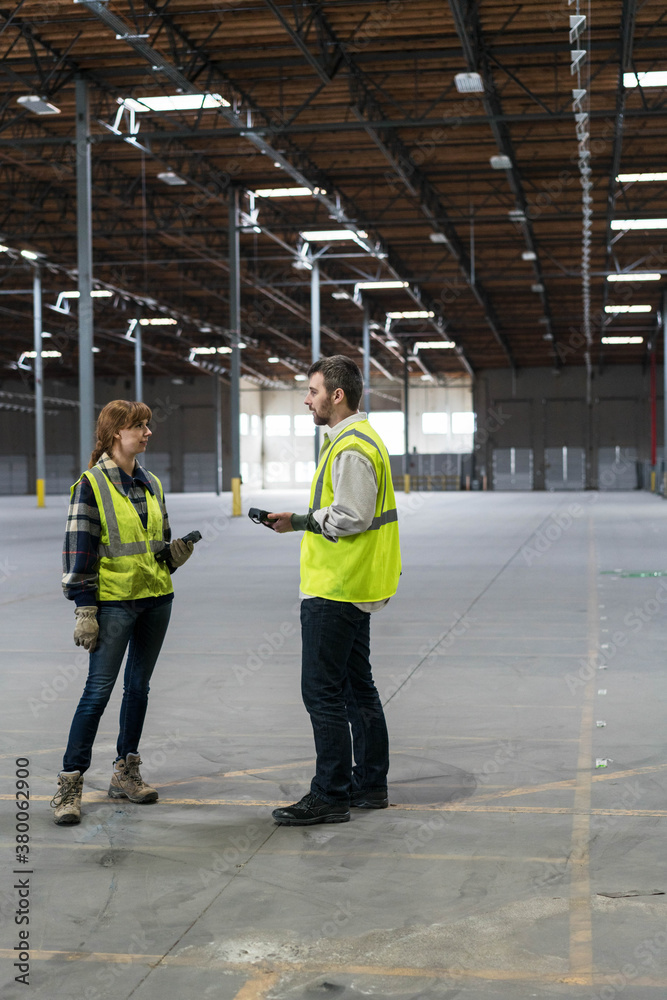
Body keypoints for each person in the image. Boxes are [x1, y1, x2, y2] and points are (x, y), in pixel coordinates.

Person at [267, 355, 401, 825]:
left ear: (337, 395)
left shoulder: (349, 446)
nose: (308, 400)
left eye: (313, 391)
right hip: (353, 583)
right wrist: (296, 522)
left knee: (321, 692)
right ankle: (369, 785)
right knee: (355, 688)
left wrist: (302, 521)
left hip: (335, 588)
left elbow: (351, 515)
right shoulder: (360, 440)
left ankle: (330, 793)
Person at [51, 400, 195, 825]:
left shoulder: (152, 483)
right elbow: (78, 551)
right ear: (117, 433)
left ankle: (125, 772)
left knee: (139, 689)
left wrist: (175, 555)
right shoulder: (90, 485)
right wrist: (84, 609)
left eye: (148, 425)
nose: (148, 433)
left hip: (156, 599)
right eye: (140, 426)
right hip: (113, 604)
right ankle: (70, 783)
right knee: (97, 692)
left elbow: (157, 546)